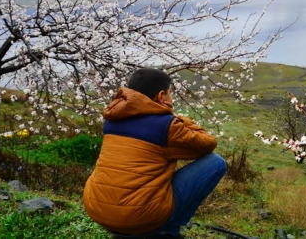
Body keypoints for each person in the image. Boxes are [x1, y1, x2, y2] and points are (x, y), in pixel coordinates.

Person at [84, 68, 226, 239]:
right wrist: (175, 117)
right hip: (141, 216)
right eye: (170, 94)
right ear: (161, 96)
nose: (171, 98)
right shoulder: (166, 125)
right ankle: (167, 231)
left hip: (97, 208)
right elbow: (208, 143)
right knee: (216, 162)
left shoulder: (112, 118)